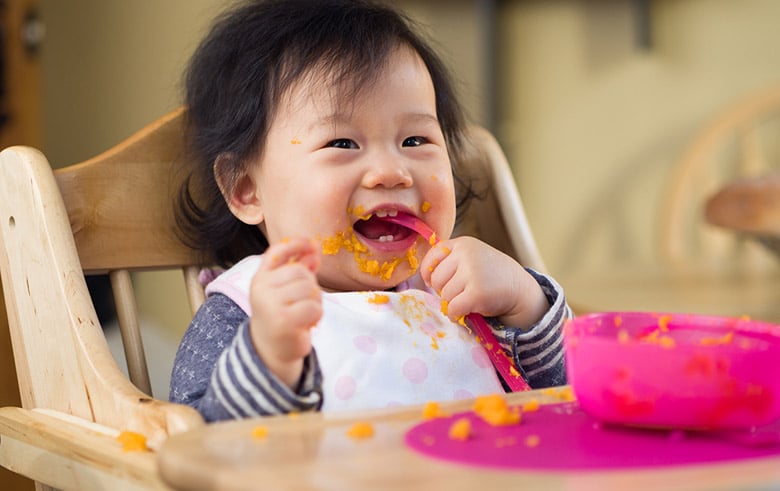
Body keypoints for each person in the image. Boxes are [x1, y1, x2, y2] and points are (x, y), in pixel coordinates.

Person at [170, 0, 572, 422]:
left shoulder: (460, 294)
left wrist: (526, 303)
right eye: (342, 144)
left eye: (415, 140)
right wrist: (269, 361)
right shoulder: (245, 310)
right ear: (247, 189)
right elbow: (201, 447)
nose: (391, 172)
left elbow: (570, 402)